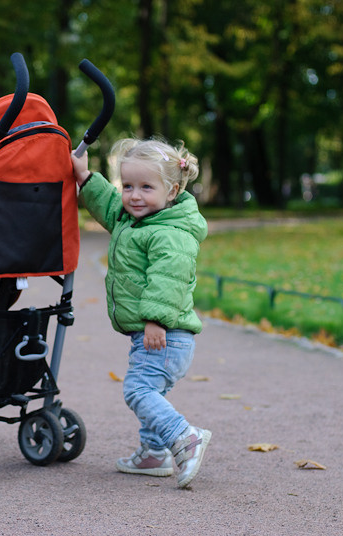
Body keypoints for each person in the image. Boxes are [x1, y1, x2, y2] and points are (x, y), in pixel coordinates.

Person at [71, 137, 211, 488]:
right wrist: (85, 176)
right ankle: (153, 454)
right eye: (128, 186)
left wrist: (155, 320)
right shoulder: (133, 220)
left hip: (165, 333)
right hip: (157, 335)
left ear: (173, 190)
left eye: (146, 187)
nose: (134, 195)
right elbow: (106, 205)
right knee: (152, 391)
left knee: (137, 390)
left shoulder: (170, 234)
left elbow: (169, 280)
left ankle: (183, 437)